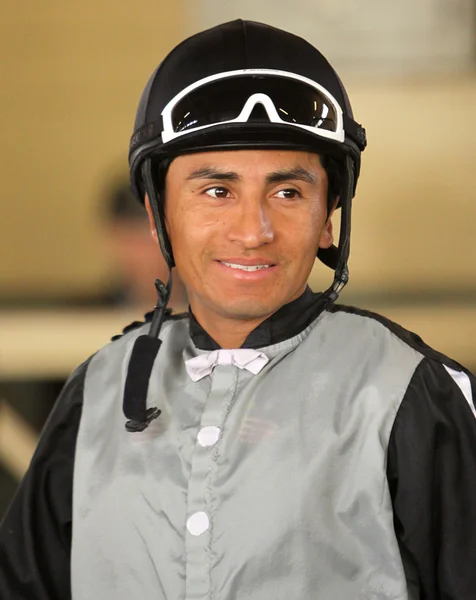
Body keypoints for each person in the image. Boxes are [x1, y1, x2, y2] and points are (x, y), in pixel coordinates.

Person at [1, 19, 475, 600]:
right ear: (158, 216)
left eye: (288, 192)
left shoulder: (410, 390)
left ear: (329, 217)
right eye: (216, 191)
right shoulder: (98, 387)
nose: (253, 232)